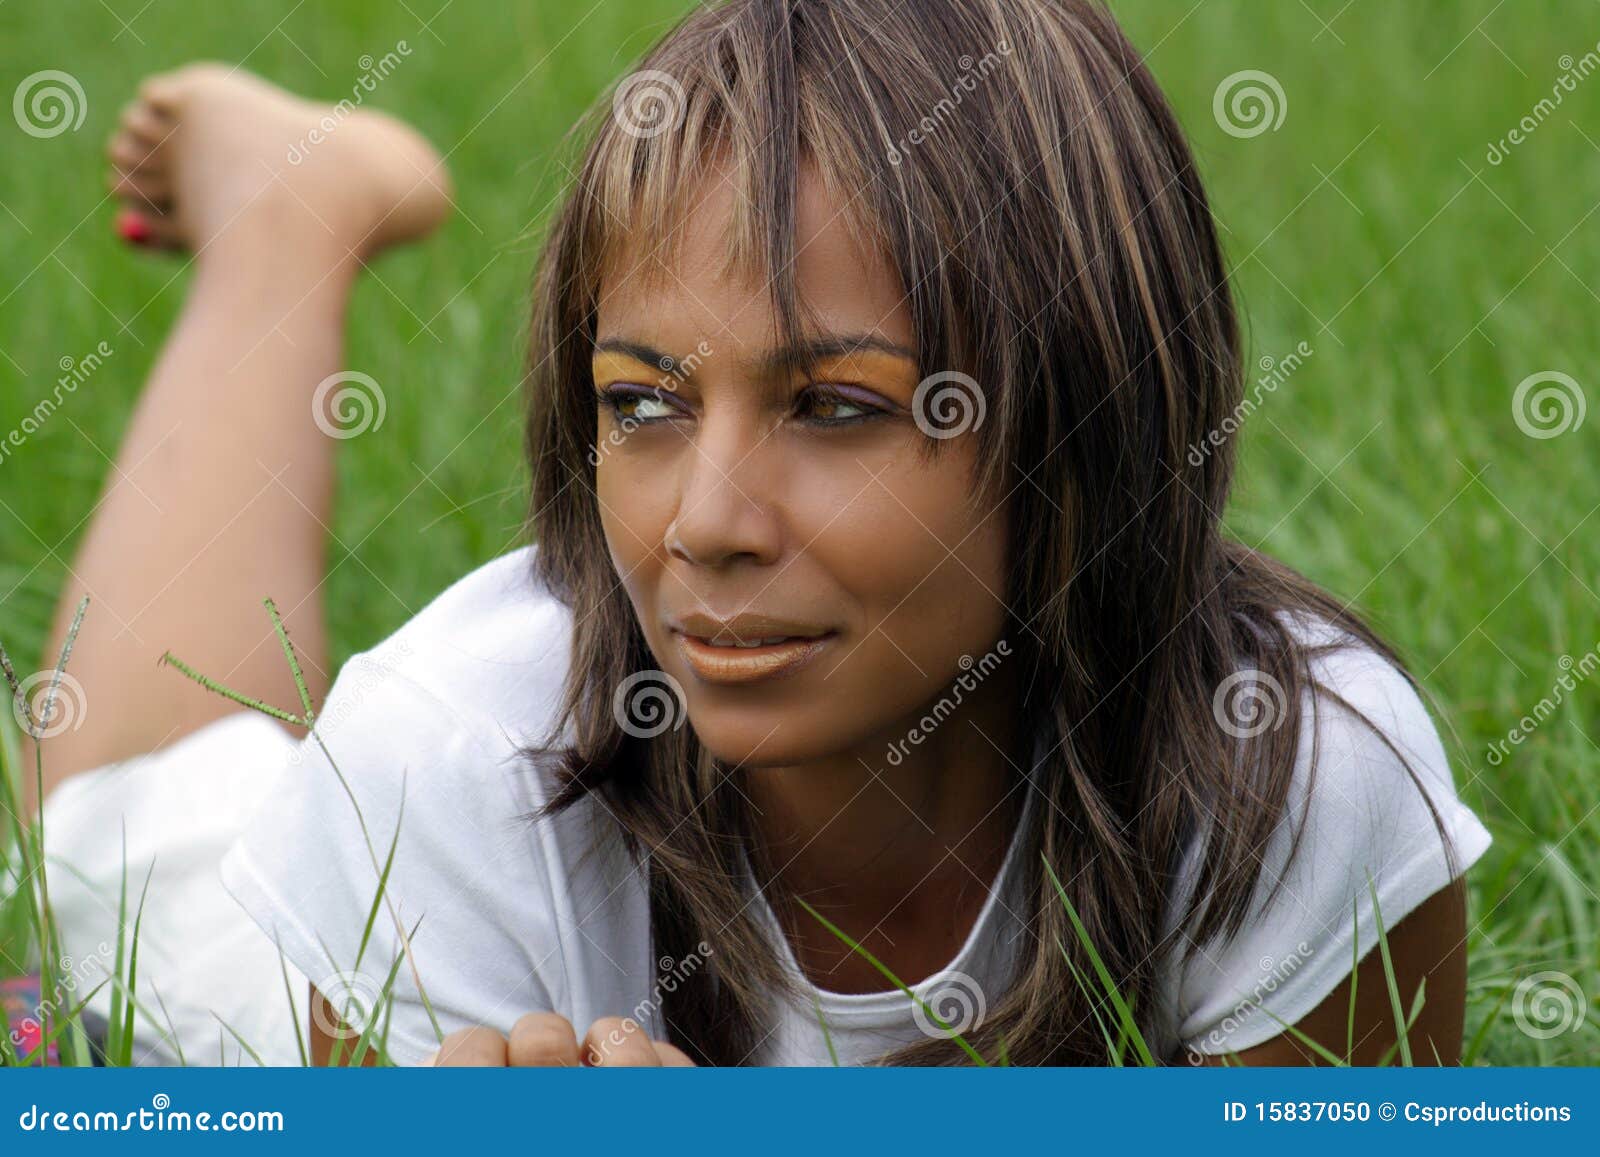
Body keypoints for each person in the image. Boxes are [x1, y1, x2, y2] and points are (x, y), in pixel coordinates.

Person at [27, 0, 1490, 1068]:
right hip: (311, 965)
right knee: (114, 819)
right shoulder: (443, 774)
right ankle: (294, 212)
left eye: (840, 408)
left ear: (1089, 415)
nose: (705, 525)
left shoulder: (1294, 781)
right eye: (642, 401)